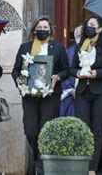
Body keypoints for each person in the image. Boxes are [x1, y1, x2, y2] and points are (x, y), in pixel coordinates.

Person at [11, 16, 69, 174]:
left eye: (45, 28)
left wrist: (58, 77)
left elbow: (67, 70)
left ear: (50, 30)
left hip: (51, 96)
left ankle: (42, 166)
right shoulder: (25, 48)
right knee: (30, 130)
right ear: (34, 30)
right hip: (30, 95)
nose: (42, 30)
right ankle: (39, 158)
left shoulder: (58, 48)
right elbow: (16, 69)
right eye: (39, 27)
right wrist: (18, 80)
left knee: (46, 129)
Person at [70, 16, 102, 174]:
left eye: (92, 25)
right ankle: (81, 166)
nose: (88, 27)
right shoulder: (80, 47)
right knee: (83, 130)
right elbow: (72, 69)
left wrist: (96, 73)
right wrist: (78, 73)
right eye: (87, 25)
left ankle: (91, 169)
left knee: (97, 132)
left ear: (99, 29)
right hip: (83, 92)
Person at [60, 26, 82, 117]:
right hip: (70, 94)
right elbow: (64, 71)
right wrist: (71, 90)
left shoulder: (95, 51)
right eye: (77, 36)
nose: (79, 38)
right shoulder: (68, 52)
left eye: (81, 35)